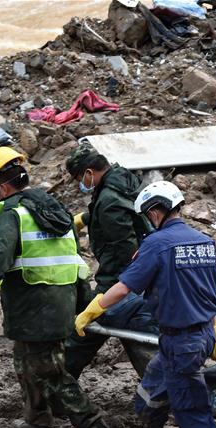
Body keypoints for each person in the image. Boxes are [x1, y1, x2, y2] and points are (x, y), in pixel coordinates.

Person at [0, 147, 120, 428]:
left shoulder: (14, 216)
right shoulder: (54, 210)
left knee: (49, 371)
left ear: (1, 187)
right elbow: (73, 260)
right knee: (25, 361)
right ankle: (37, 420)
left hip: (35, 305)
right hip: (60, 300)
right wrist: (84, 302)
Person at [73, 181, 216, 428]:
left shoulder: (157, 244)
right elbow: (210, 293)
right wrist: (215, 333)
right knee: (151, 386)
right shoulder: (205, 242)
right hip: (200, 333)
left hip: (182, 340)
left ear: (154, 212)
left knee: (190, 410)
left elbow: (124, 288)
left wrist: (92, 309)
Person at [63, 143, 156, 379]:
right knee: (131, 335)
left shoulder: (108, 202)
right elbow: (131, 210)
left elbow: (124, 253)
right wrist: (88, 217)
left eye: (78, 179)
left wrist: (109, 294)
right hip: (147, 271)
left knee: (85, 332)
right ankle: (158, 385)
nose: (80, 184)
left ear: (88, 173)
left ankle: (57, 388)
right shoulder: (124, 178)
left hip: (123, 278)